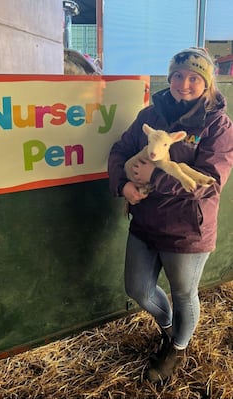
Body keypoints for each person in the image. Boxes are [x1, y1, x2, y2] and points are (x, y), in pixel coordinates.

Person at [108, 47, 233, 382]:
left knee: (183, 293)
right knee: (138, 288)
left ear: (207, 83)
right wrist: (123, 185)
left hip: (188, 228)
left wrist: (151, 179)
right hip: (146, 221)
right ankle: (168, 329)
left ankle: (177, 348)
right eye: (178, 75)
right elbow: (121, 149)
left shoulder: (217, 125)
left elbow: (211, 180)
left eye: (194, 77)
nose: (184, 83)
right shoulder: (151, 115)